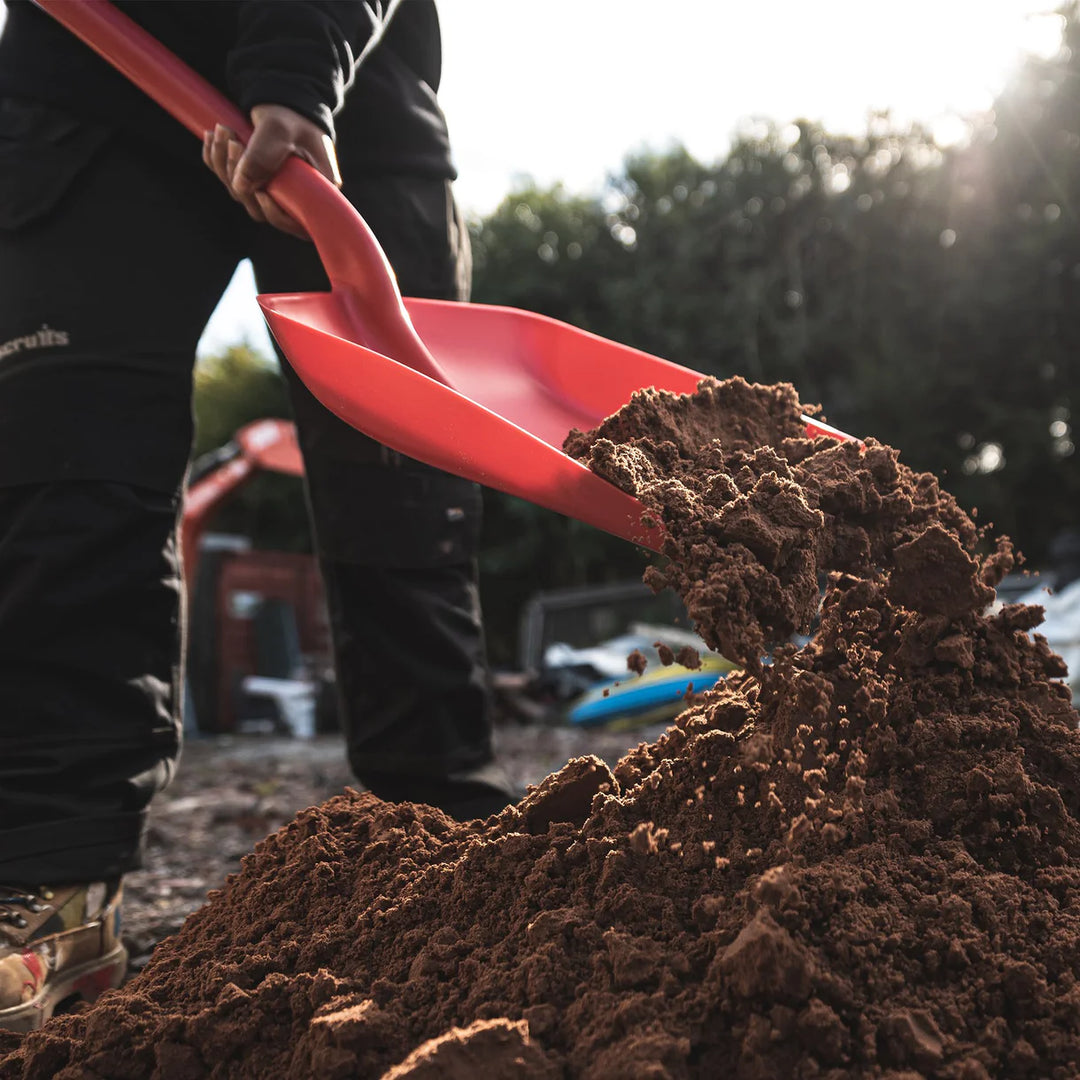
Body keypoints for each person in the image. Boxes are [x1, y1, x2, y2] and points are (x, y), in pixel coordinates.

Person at [0, 0, 516, 1032]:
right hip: (87, 91)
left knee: (398, 483)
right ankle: (51, 896)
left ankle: (447, 847)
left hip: (355, 106)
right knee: (68, 472)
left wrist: (296, 64)